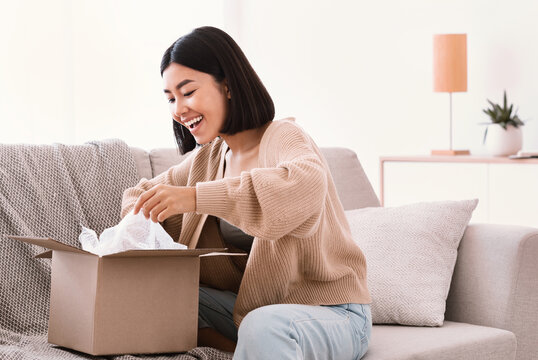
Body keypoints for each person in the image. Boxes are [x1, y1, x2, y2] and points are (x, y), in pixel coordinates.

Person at [121, 26, 372, 360]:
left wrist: (194, 198)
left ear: (226, 85)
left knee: (263, 326)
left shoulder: (284, 137)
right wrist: (141, 219)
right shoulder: (210, 158)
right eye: (170, 98)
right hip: (257, 309)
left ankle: (255, 345)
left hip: (332, 312)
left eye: (188, 92)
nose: (178, 110)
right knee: (162, 297)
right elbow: (139, 195)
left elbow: (304, 188)